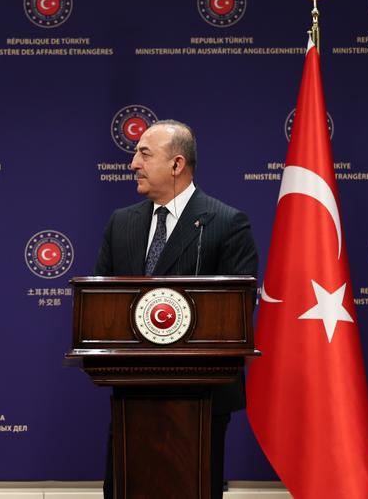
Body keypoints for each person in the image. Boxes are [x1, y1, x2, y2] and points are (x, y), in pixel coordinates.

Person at [93, 120, 258, 499]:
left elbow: (237, 310)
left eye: (144, 154)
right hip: (134, 392)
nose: (133, 163)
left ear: (177, 164)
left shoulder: (226, 223)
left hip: (202, 394)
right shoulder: (122, 223)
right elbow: (101, 302)